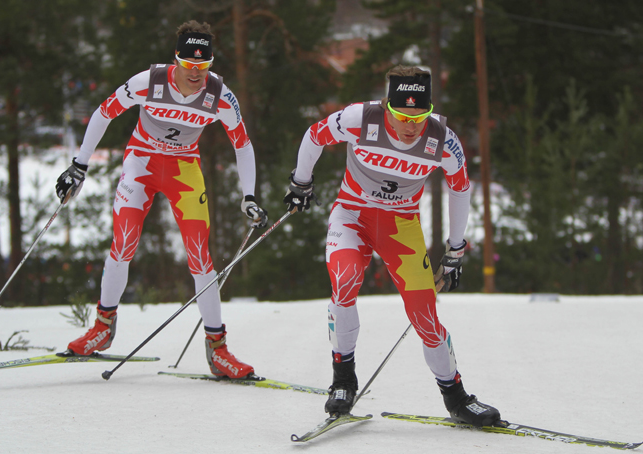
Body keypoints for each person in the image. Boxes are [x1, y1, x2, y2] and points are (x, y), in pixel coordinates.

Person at [283, 66, 501, 425]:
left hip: (401, 227)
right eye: (402, 115)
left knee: (424, 314)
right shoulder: (359, 118)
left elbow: (460, 188)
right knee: (345, 279)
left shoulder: (443, 140)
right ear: (388, 107)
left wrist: (456, 249)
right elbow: (315, 135)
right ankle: (343, 380)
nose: (411, 125)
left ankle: (457, 397)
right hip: (352, 216)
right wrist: (301, 182)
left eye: (420, 116)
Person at [55, 20, 267, 379]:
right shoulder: (148, 82)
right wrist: (79, 165)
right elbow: (103, 113)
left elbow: (242, 144)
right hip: (142, 162)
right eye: (189, 66)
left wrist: (248, 195)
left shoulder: (219, 96)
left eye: (204, 66)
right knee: (122, 243)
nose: (197, 74)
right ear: (176, 61)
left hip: (184, 168)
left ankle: (218, 350)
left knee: (201, 256)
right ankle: (103, 327)